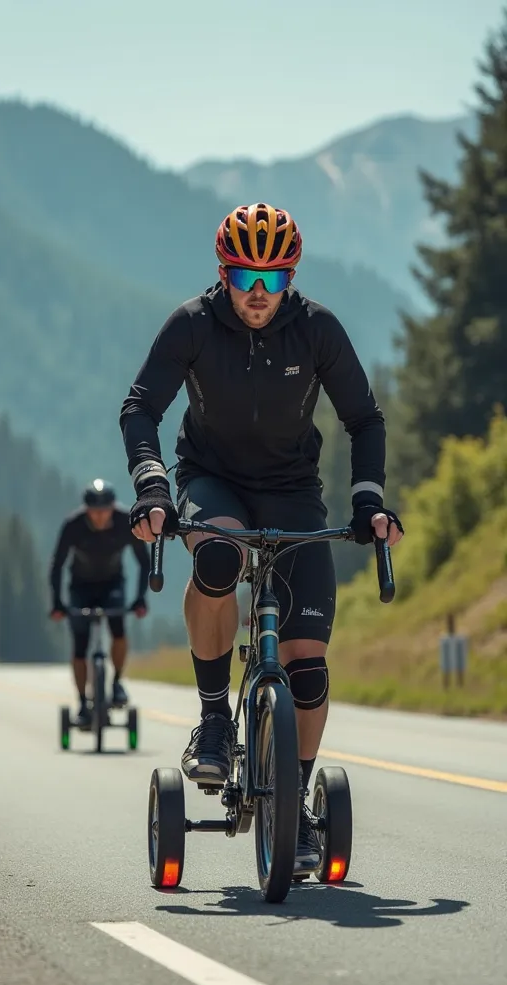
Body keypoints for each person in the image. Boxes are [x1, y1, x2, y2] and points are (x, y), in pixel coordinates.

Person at [120, 202, 404, 877]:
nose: (257, 292)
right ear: (223, 272)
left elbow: (365, 419)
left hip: (292, 490)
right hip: (212, 481)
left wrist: (368, 499)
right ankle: (215, 718)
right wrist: (153, 485)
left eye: (273, 280)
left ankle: (298, 802)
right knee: (216, 558)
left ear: (290, 279)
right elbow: (141, 407)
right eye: (245, 275)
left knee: (306, 669)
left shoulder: (318, 331)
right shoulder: (192, 326)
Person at [49, 479, 149, 726]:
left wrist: (139, 598)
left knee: (118, 630)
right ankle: (83, 701)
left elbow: (144, 562)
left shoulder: (126, 521)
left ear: (113, 507)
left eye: (105, 511)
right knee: (80, 647)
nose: (100, 516)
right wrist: (57, 603)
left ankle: (115, 682)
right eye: (94, 511)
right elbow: (57, 565)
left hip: (112, 583)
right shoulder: (73, 525)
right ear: (86, 510)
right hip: (80, 586)